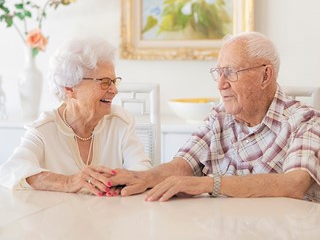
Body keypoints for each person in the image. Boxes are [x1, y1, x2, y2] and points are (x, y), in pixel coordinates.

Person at [107, 31, 320, 202]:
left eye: (231, 72)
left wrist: (209, 184)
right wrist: (142, 178)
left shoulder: (306, 121)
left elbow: (294, 184)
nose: (220, 84)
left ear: (265, 75)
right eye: (219, 72)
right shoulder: (219, 117)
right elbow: (182, 165)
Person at [0, 37, 152, 196]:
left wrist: (122, 181)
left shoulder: (120, 122)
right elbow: (11, 170)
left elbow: (142, 171)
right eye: (105, 82)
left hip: (111, 216)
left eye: (114, 81)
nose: (114, 90)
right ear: (70, 87)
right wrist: (68, 181)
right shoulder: (43, 130)